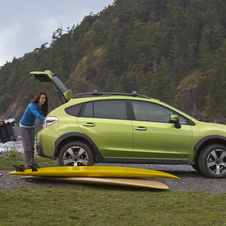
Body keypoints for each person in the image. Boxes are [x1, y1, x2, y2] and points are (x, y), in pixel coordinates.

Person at [19, 92, 48, 169]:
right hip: (23, 127)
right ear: (38, 98)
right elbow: (37, 115)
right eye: (42, 98)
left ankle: (31, 164)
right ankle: (28, 166)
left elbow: (44, 116)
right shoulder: (32, 106)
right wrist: (46, 120)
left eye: (45, 98)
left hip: (31, 127)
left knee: (31, 147)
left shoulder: (41, 108)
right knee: (27, 147)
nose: (43, 100)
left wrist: (50, 121)